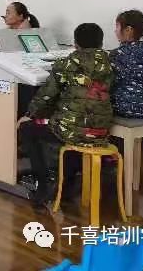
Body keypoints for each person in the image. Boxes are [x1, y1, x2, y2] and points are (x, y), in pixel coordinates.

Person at [17, 23, 113, 206]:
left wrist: (29, 114)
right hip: (101, 130)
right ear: (101, 43)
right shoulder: (110, 63)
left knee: (28, 129)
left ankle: (43, 184)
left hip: (72, 130)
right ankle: (66, 184)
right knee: (71, 131)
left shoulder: (67, 63)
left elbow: (46, 94)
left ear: (75, 43)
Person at [110, 10, 143, 119]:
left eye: (117, 27)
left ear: (128, 30)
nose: (115, 31)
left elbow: (111, 81)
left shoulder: (117, 54)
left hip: (122, 108)